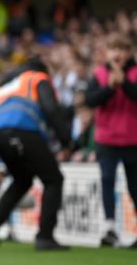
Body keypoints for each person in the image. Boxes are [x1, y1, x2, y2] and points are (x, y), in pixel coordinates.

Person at [0, 59, 72, 251]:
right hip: (22, 128)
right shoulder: (37, 78)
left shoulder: (2, 88)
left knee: (22, 179)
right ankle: (45, 237)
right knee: (53, 179)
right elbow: (51, 109)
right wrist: (66, 141)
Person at [84, 37, 137, 248]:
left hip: (132, 139)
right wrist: (109, 88)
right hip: (106, 139)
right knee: (107, 180)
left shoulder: (134, 73)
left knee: (135, 186)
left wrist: (123, 83)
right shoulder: (99, 74)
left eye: (122, 49)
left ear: (130, 52)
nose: (118, 54)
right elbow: (90, 100)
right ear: (107, 52)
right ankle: (109, 227)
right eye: (114, 49)